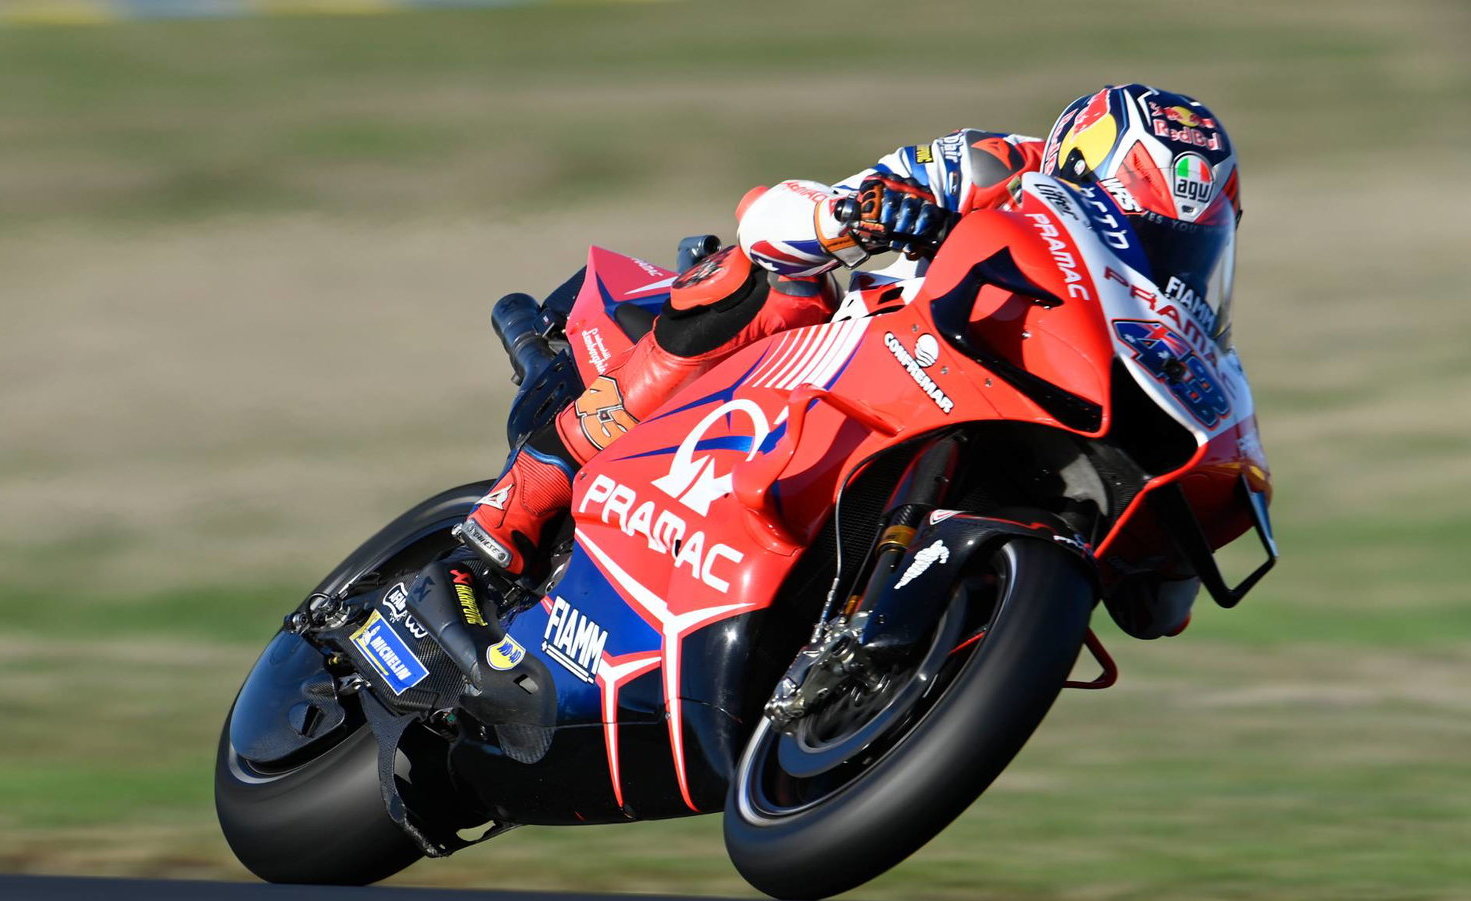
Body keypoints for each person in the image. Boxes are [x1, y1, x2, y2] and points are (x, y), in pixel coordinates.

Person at [455, 83, 1241, 583]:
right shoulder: (993, 165)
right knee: (776, 283)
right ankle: (523, 499)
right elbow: (778, 217)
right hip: (851, 351)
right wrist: (857, 213)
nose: (1150, 261)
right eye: (1138, 231)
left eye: (1178, 248)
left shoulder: (1158, 317)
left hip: (996, 403)